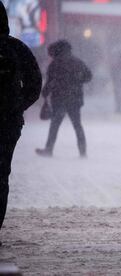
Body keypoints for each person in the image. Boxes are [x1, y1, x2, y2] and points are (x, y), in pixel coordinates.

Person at [0, 2, 42, 239]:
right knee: (1, 174)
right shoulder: (16, 48)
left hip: (8, 119)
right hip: (7, 123)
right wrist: (16, 108)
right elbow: (35, 84)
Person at [36, 40, 92, 158]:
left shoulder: (55, 64)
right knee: (77, 125)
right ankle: (83, 152)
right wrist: (77, 81)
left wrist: (45, 92)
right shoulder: (77, 62)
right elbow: (88, 76)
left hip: (59, 99)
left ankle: (48, 149)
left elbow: (49, 82)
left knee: (55, 125)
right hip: (75, 99)